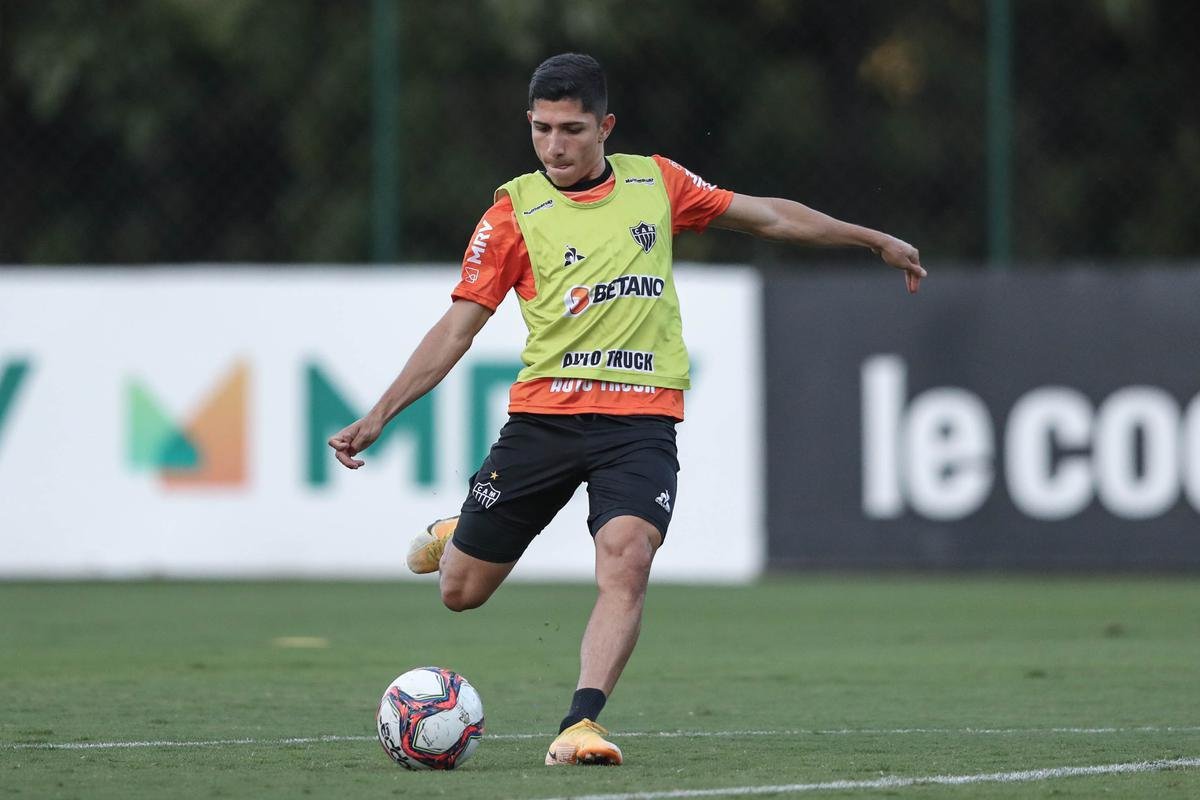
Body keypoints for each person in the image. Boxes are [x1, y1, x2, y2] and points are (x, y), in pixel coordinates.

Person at [328, 52, 925, 766]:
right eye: (543, 129)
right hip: (543, 423)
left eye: (573, 129)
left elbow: (767, 218)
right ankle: (461, 532)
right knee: (460, 593)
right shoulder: (511, 212)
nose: (556, 146)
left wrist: (873, 239)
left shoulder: (657, 183)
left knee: (628, 556)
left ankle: (581, 724)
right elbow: (458, 326)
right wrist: (380, 413)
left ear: (605, 126)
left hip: (639, 425)